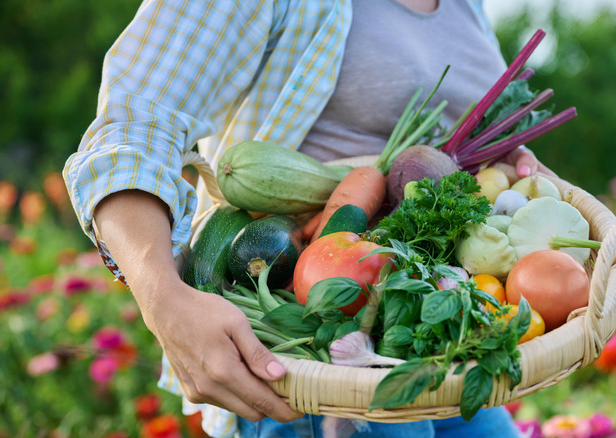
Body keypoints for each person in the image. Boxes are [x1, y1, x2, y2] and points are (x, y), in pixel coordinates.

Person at [64, 0, 554, 436]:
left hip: (439, 337)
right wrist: (163, 299)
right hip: (319, 362)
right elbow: (131, 130)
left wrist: (509, 162)